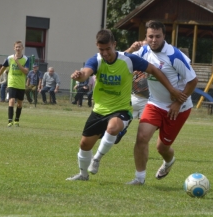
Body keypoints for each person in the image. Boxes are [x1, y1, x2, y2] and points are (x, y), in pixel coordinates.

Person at [66, 29, 187, 181]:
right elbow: (85, 72)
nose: (105, 53)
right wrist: (79, 76)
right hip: (99, 110)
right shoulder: (96, 60)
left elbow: (154, 70)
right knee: (84, 144)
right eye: (101, 49)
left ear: (114, 45)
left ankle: (96, 159)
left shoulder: (128, 59)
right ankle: (83, 175)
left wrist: (172, 90)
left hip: (121, 109)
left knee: (113, 128)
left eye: (108, 49)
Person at [125, 20, 198, 185]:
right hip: (155, 104)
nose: (153, 40)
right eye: (150, 36)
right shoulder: (143, 51)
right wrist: (130, 49)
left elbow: (193, 81)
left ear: (164, 36)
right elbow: (121, 60)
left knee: (162, 148)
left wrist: (178, 103)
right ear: (146, 36)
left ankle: (169, 161)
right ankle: (139, 178)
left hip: (179, 108)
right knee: (142, 137)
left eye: (157, 36)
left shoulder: (175, 56)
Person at [0, 41, 29, 127]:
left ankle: (17, 120)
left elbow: (26, 71)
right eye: (16, 47)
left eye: (19, 47)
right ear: (14, 48)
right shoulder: (9, 58)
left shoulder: (26, 59)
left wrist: (18, 62)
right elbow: (2, 69)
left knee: (20, 103)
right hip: (12, 83)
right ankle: (10, 121)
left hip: (21, 84)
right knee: (12, 100)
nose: (18, 48)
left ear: (22, 48)